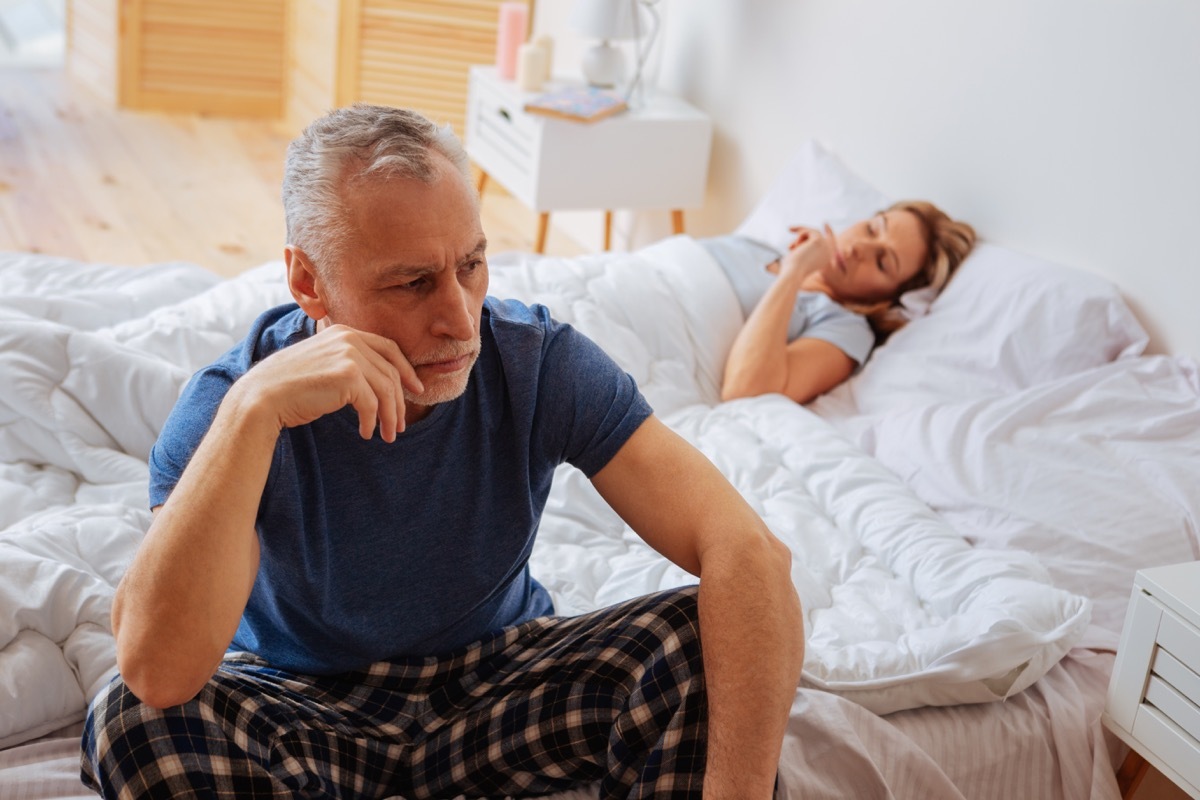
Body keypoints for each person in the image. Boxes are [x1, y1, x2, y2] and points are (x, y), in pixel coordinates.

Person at [80, 103, 804, 800]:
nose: (460, 320)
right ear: (308, 282)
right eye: (413, 282)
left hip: (498, 684)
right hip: (302, 699)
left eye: (471, 266)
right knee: (131, 720)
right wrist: (251, 416)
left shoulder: (538, 363)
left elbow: (749, 555)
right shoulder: (228, 404)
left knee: (703, 639)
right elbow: (158, 672)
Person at [715, 202, 976, 404]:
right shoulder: (757, 247)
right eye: (872, 229)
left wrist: (794, 272)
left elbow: (745, 388)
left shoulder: (845, 327)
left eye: (882, 262)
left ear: (887, 298)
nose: (859, 248)